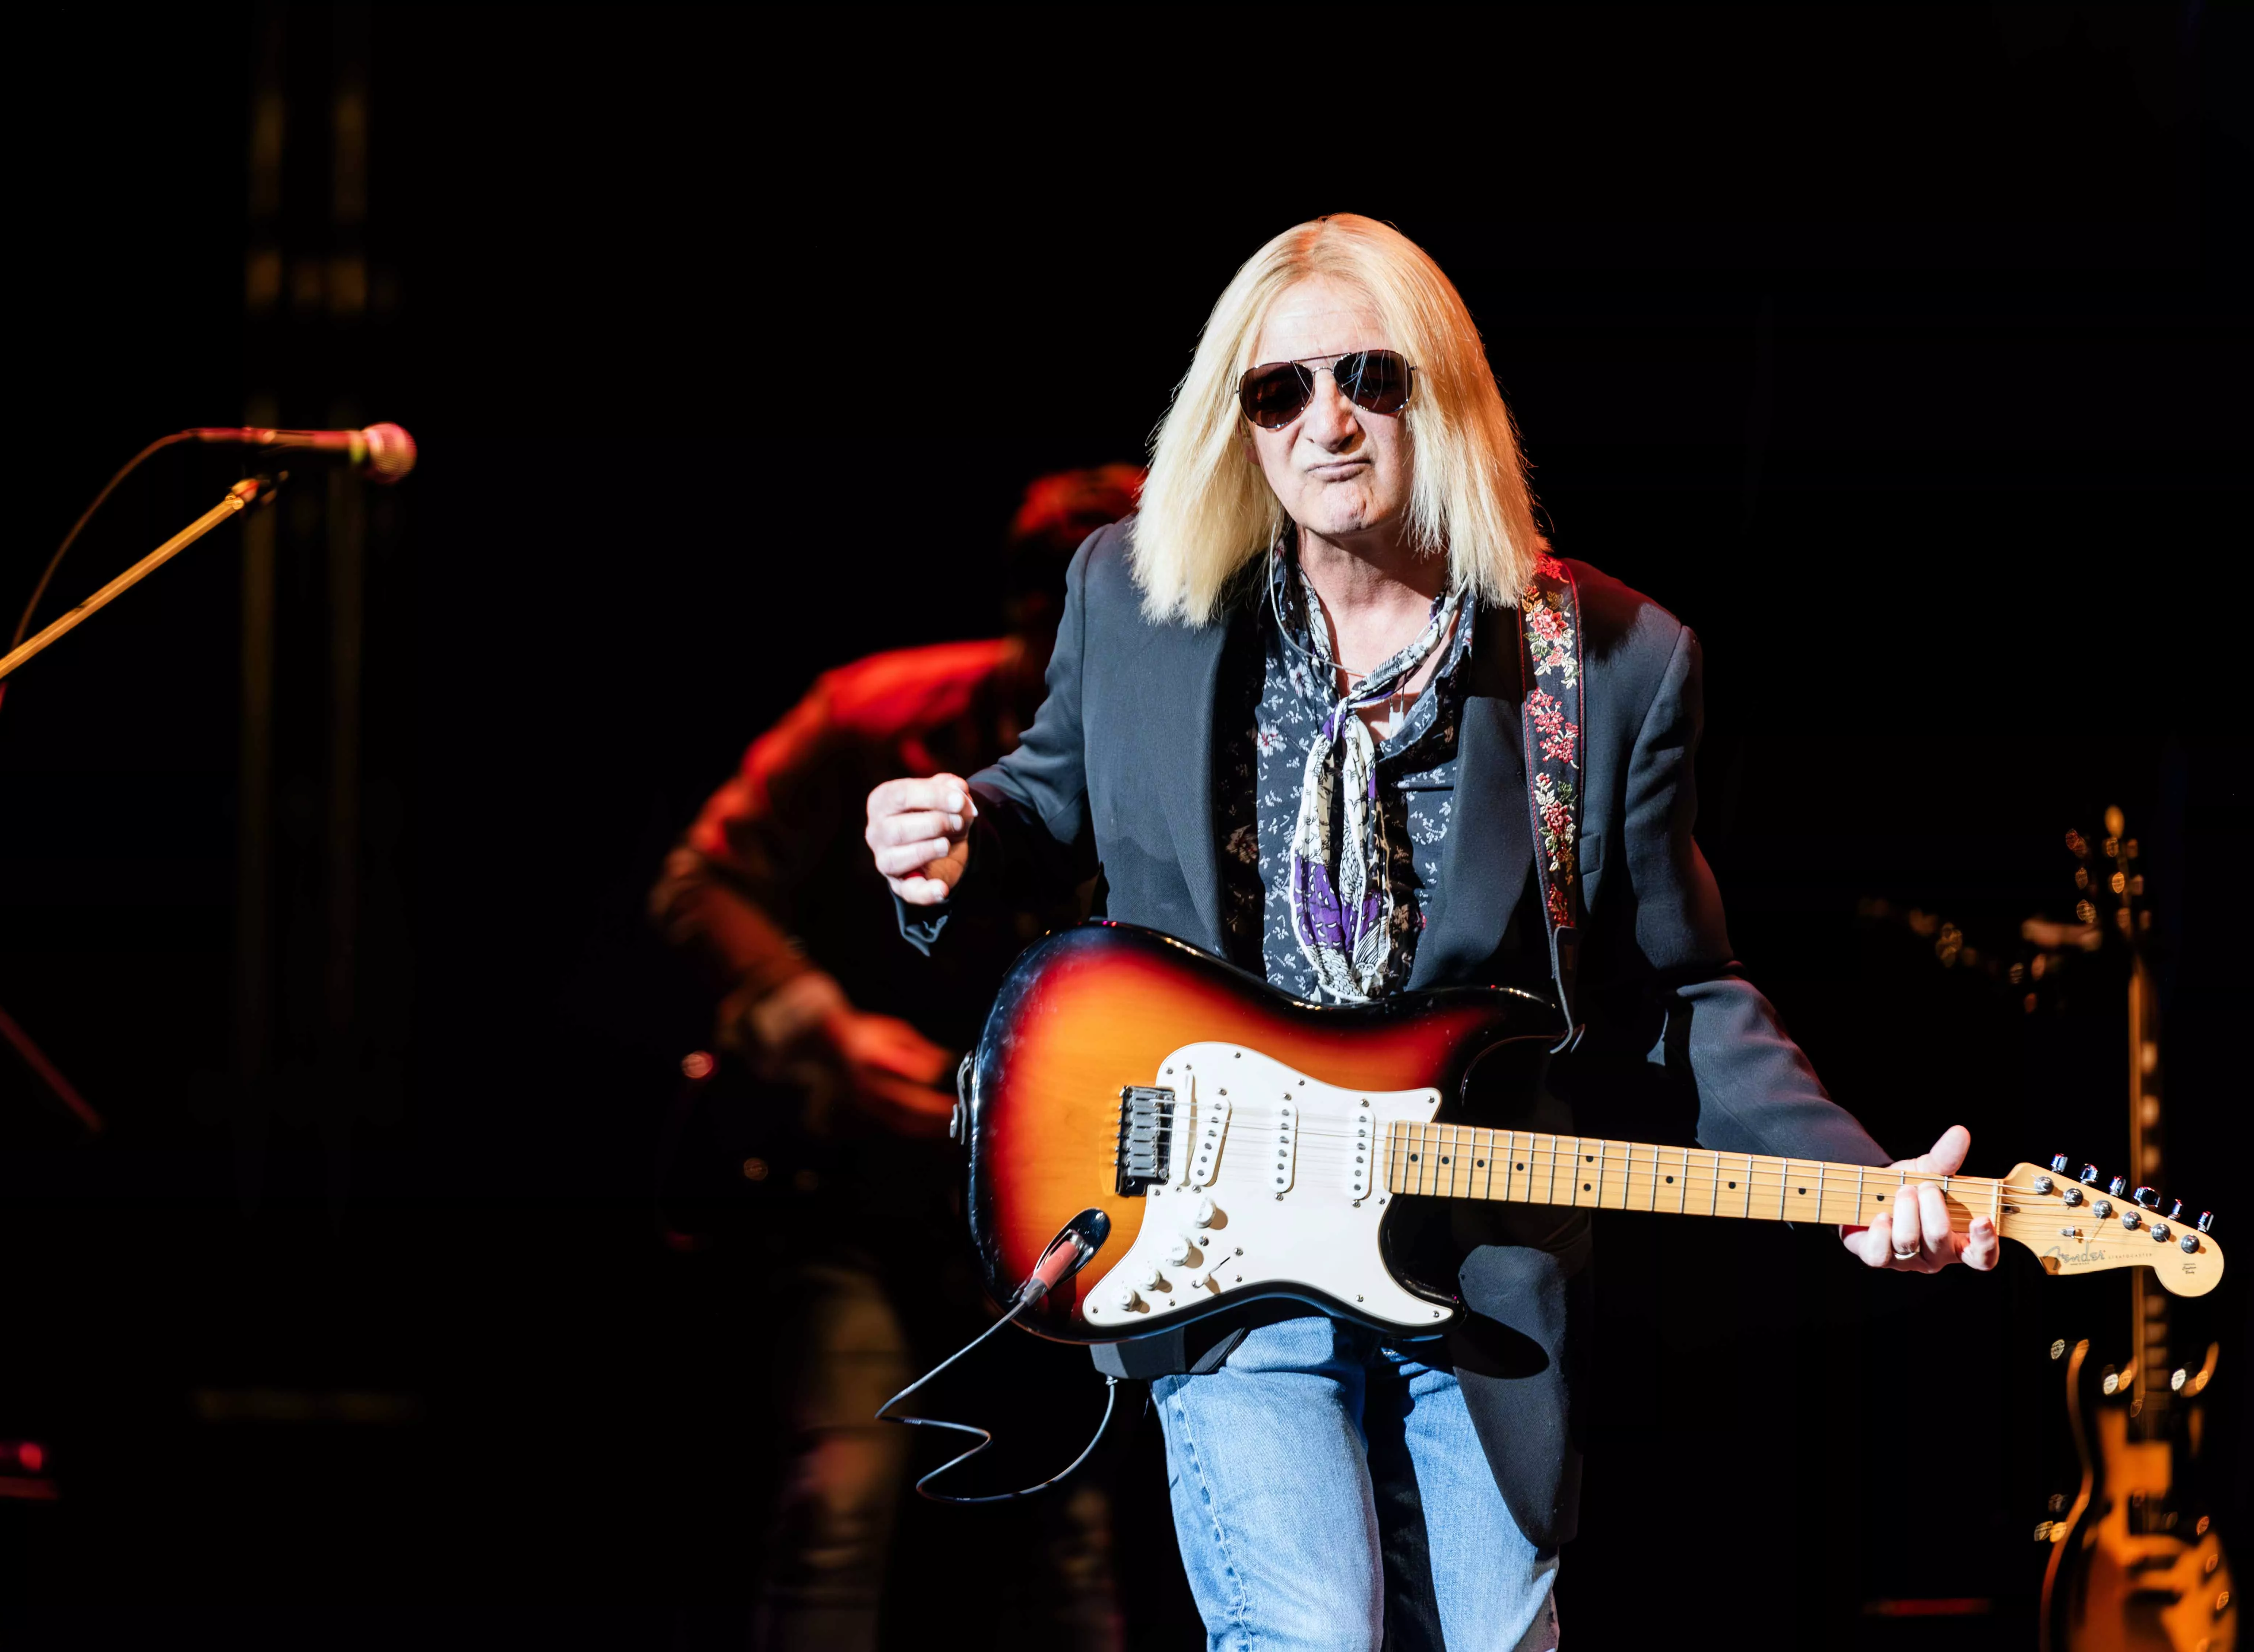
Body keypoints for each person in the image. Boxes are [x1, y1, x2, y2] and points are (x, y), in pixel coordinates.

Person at [862, 215, 1994, 1652]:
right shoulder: (1136, 599)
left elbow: (1684, 983)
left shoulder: (1613, 663)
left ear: (1442, 394)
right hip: (1205, 1224)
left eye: (1368, 379)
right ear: (1239, 420)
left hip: (1474, 1243)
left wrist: (1850, 1181)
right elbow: (1036, 802)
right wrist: (947, 843)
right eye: (1277, 391)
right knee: (1308, 1635)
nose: (1323, 422)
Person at [652, 466, 1143, 1652]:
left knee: (1070, 1536)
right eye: (1048, 598)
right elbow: (700, 879)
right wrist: (821, 1023)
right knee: (839, 1495)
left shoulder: (1187, 755)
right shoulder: (877, 709)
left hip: (1062, 1220)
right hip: (863, 1194)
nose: (1066, 633)